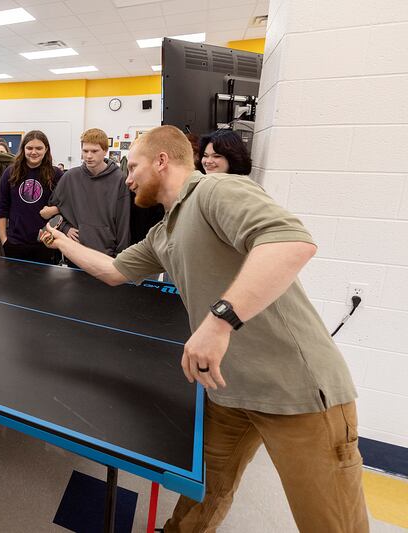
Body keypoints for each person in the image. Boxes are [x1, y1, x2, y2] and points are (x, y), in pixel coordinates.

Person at [38, 125, 367, 533]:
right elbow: (112, 270)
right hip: (226, 391)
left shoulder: (216, 191)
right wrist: (61, 242)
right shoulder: (164, 232)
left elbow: (290, 243)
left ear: (162, 161)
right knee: (203, 497)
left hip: (297, 393)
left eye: (134, 166)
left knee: (333, 525)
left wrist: (218, 323)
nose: (128, 177)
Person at [40, 128, 130, 260]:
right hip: (76, 253)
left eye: (94, 151)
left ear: (105, 151)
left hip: (107, 256)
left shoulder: (120, 179)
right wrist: (65, 228)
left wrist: (121, 257)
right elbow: (52, 211)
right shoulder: (70, 177)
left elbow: (123, 221)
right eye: (85, 151)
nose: (88, 156)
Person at [0, 130, 62, 264]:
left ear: (46, 149)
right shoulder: (10, 172)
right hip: (15, 243)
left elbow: (67, 204)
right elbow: (1, 207)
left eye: (39, 148)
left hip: (46, 242)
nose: (34, 152)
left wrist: (54, 210)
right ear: (23, 149)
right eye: (29, 148)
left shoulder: (56, 174)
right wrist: (4, 240)